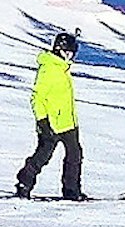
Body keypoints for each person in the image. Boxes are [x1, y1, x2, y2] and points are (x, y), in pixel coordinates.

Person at [14, 26, 87, 200]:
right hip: (52, 123)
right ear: (59, 50)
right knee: (43, 156)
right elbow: (37, 98)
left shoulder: (62, 68)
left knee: (75, 155)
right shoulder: (49, 68)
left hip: (68, 122)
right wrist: (42, 121)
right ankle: (24, 182)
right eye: (68, 52)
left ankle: (71, 190)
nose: (71, 57)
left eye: (72, 53)